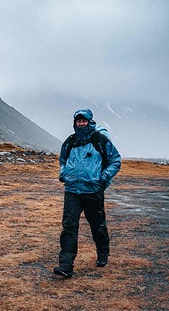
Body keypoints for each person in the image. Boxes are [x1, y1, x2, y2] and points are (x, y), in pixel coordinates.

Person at [54, 109, 121, 278]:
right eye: (78, 121)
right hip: (72, 191)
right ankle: (66, 265)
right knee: (69, 227)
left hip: (92, 191)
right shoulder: (70, 141)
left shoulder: (100, 139)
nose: (81, 123)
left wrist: (103, 177)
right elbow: (62, 160)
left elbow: (115, 160)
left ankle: (103, 252)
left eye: (84, 121)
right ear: (75, 123)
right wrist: (63, 173)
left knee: (97, 225)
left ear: (90, 121)